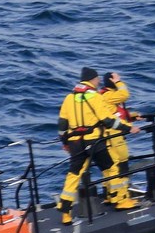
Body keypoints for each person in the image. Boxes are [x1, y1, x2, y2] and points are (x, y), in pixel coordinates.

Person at [57, 67, 136, 224]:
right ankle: (118, 200)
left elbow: (62, 124)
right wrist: (129, 128)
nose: (99, 81)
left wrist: (65, 142)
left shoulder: (69, 98)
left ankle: (65, 212)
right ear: (92, 79)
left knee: (73, 175)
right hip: (93, 141)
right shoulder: (95, 96)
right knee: (112, 167)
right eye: (97, 79)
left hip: (75, 143)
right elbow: (108, 120)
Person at [98, 70, 137, 198]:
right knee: (122, 164)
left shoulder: (107, 95)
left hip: (111, 133)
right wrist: (118, 82)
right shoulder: (109, 95)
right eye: (115, 78)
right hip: (114, 135)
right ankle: (122, 195)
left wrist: (132, 117)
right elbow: (124, 94)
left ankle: (110, 195)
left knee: (111, 168)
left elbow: (115, 113)